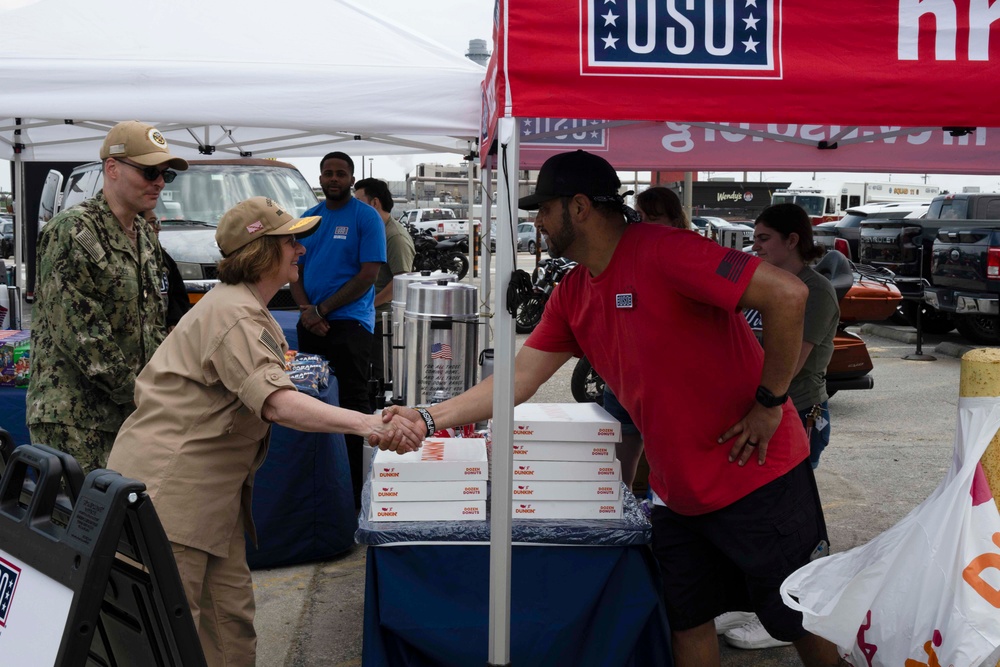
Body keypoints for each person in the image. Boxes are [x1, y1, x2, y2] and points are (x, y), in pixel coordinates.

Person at [378, 151, 847, 667]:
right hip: (677, 494)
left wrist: (770, 402)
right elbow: (518, 380)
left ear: (579, 207)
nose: (537, 222)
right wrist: (427, 418)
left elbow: (788, 293)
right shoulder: (574, 291)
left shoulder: (668, 250)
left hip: (756, 474)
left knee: (797, 614)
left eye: (544, 209)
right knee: (686, 618)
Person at [106, 196, 422, 665]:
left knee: (229, 623)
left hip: (213, 499)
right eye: (291, 241)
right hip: (173, 496)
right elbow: (278, 404)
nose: (301, 250)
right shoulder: (234, 312)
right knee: (168, 634)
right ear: (261, 251)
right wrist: (367, 423)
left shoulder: (244, 306)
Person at [27, 120, 187, 472]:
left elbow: (153, 324)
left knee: (127, 524)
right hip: (77, 420)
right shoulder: (72, 230)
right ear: (112, 169)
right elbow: (82, 336)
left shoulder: (144, 236)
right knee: (81, 524)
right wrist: (148, 395)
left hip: (131, 414)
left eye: (165, 174)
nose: (159, 181)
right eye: (149, 171)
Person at [290, 152, 386, 509]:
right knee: (311, 405)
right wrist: (306, 311)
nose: (334, 179)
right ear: (320, 177)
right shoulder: (307, 219)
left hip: (350, 325)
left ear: (351, 177)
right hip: (312, 324)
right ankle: (322, 489)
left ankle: (358, 492)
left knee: (352, 406)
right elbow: (293, 268)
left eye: (340, 173)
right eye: (328, 173)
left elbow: (368, 275)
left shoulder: (366, 218)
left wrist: (322, 309)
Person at [604, 186, 691, 490]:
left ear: (674, 221)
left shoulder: (685, 258)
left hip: (668, 385)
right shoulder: (624, 255)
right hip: (623, 380)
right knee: (619, 475)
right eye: (638, 217)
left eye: (653, 218)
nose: (644, 225)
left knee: (669, 473)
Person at [354, 177, 415, 404]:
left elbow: (403, 281)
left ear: (375, 203)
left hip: (383, 323)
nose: (354, 207)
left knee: (380, 380)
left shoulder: (395, 237)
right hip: (370, 318)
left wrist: (369, 304)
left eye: (359, 201)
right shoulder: (374, 230)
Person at [142, 210, 191, 331]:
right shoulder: (127, 259)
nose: (158, 228)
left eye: (158, 222)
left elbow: (178, 295)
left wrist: (174, 320)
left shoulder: (164, 258)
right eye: (152, 223)